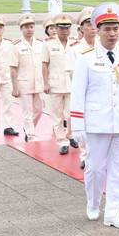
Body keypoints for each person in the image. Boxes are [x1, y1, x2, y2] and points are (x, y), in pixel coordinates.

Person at [70, 2, 119, 229]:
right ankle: (93, 203)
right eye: (107, 29)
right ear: (97, 30)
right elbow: (77, 93)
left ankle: (113, 212)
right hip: (96, 123)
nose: (112, 34)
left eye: (115, 29)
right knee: (94, 168)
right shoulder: (86, 58)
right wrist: (77, 125)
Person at [42, 13, 77, 155]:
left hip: (71, 83)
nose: (65, 30)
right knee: (56, 115)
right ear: (56, 28)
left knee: (71, 113)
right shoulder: (48, 44)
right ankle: (62, 141)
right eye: (62, 28)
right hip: (55, 84)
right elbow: (44, 64)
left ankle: (70, 134)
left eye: (67, 28)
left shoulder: (75, 43)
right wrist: (45, 83)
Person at [67, 7, 95, 168]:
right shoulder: (74, 49)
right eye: (88, 24)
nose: (92, 27)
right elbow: (72, 73)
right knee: (84, 124)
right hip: (83, 93)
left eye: (94, 24)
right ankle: (84, 155)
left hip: (101, 92)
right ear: (81, 28)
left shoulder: (104, 46)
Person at [9, 13, 45, 142]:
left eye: (31, 27)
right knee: (27, 112)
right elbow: (13, 67)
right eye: (26, 27)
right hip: (24, 83)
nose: (29, 29)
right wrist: (14, 87)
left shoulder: (41, 43)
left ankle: (28, 128)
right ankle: (31, 135)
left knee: (40, 109)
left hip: (39, 82)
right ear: (21, 29)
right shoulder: (16, 45)